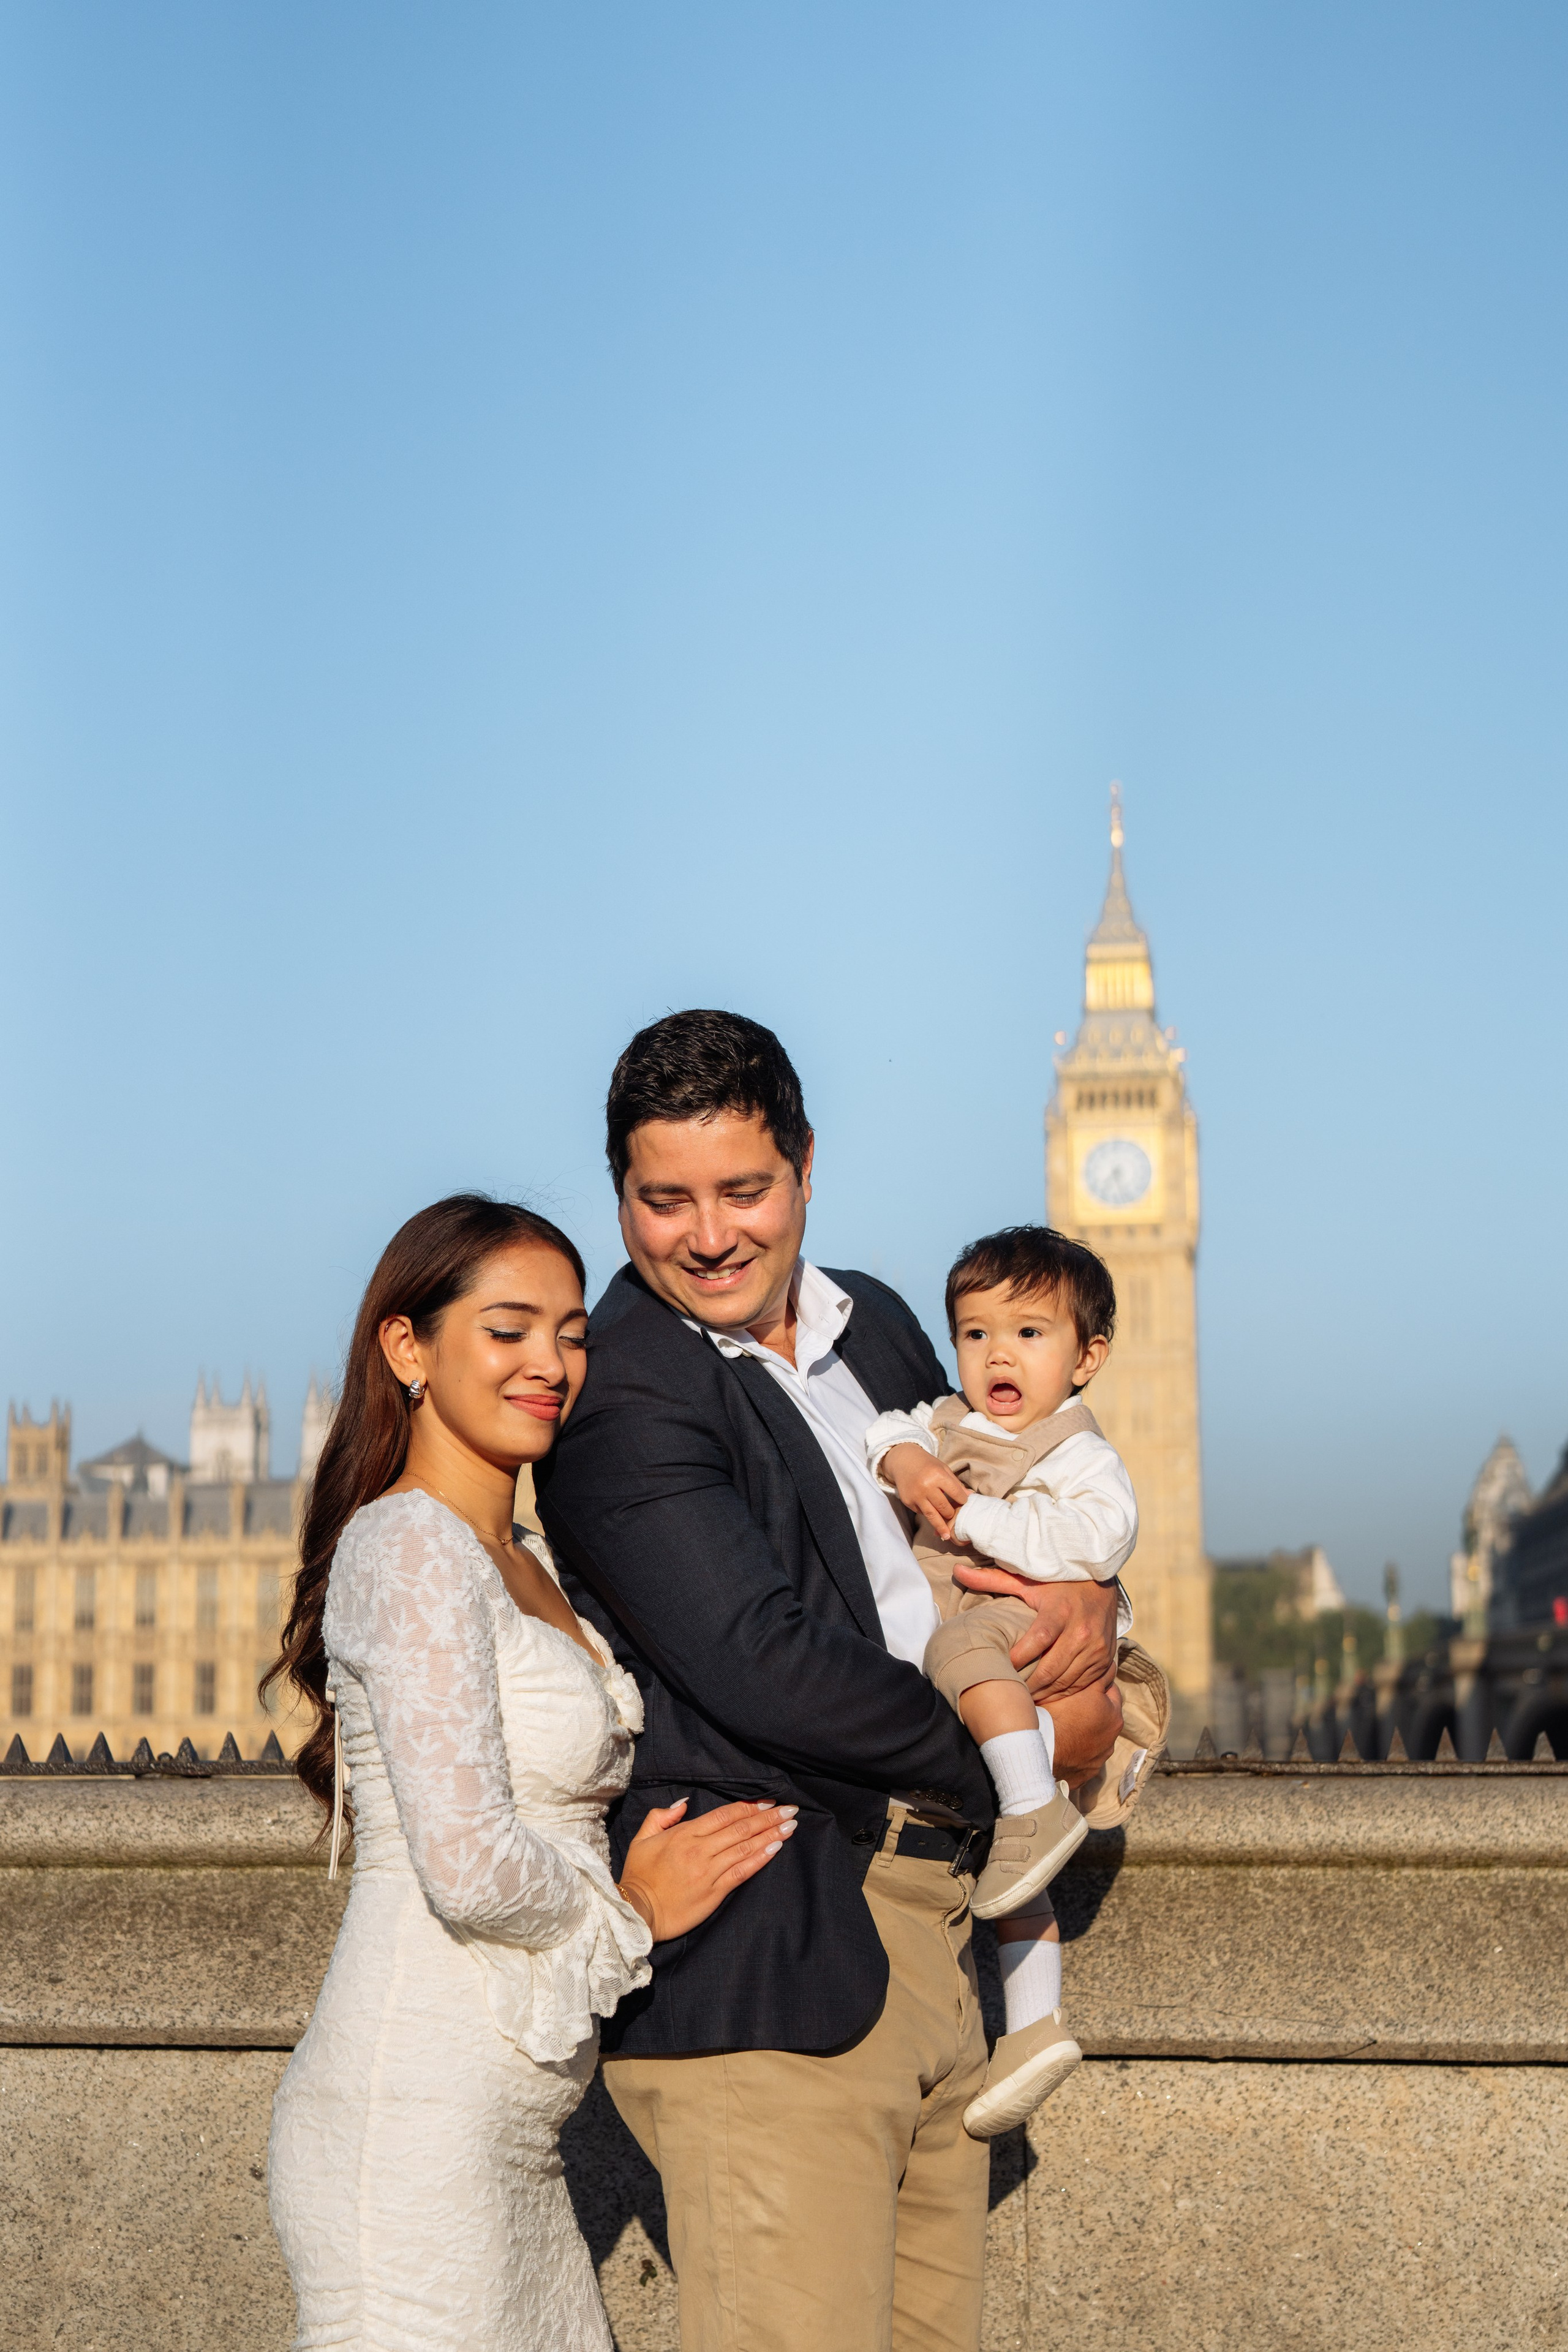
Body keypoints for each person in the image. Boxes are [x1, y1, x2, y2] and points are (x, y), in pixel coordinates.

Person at [537, 1011, 1125, 2352]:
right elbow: (766, 1666)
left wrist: (1091, 1607)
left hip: (937, 1940)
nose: (708, 1235)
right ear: (619, 1195)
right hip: (775, 1980)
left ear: (806, 1166)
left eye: (744, 1189)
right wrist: (1032, 1746)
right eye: (664, 1200)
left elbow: (1007, 1513)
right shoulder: (621, 1394)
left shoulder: (888, 1328)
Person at [265, 1194, 794, 2352]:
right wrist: (633, 1909)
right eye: (508, 1331)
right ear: (408, 1348)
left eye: (571, 1333)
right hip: (410, 2129)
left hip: (503, 2134)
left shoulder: (526, 1556)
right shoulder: (409, 1544)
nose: (550, 1363)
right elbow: (467, 1863)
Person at [866, 1222, 1170, 2139]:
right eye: (976, 1333)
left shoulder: (1076, 1452)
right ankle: (1034, 2027)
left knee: (958, 1660)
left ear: (1088, 1358)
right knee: (1016, 1880)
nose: (999, 1354)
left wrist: (977, 1520)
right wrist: (905, 1459)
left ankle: (1035, 1800)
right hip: (992, 1665)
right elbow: (886, 1429)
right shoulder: (946, 1421)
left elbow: (1099, 1539)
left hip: (1008, 1617)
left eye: (1030, 1333)